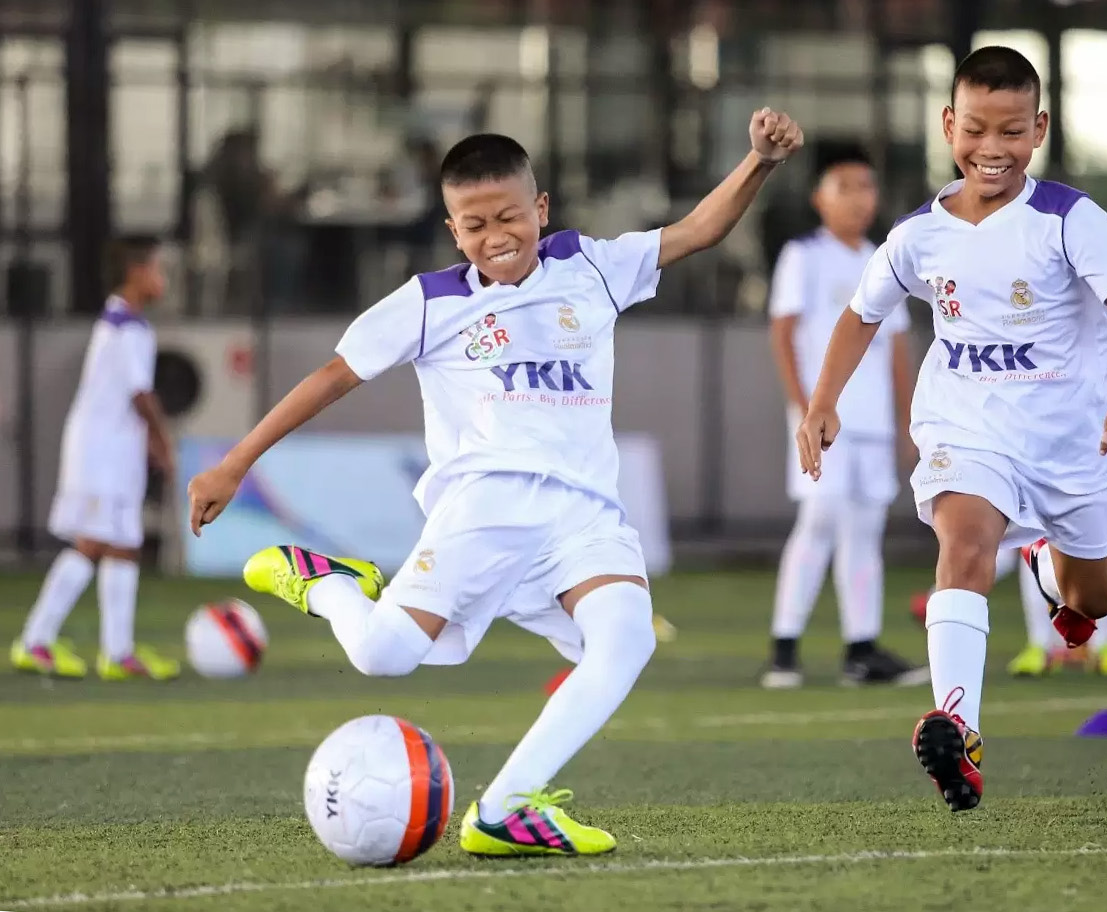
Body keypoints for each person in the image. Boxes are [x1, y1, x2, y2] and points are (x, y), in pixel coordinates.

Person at [187, 110, 805, 855]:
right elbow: (333, 376)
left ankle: (503, 811)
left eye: (510, 216)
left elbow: (698, 230)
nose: (496, 236)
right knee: (382, 657)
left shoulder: (591, 265)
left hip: (583, 514)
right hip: (485, 509)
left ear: (540, 210)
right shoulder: (430, 301)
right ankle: (327, 585)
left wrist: (758, 162)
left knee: (625, 640)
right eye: (474, 225)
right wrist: (235, 461)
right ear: (454, 231)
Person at [795, 45, 1107, 813]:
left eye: (1008, 132)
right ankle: (958, 732)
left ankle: (1045, 564)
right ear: (946, 126)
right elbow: (862, 315)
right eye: (973, 130)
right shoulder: (917, 234)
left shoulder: (1068, 218)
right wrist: (822, 399)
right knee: (962, 549)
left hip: (1069, 443)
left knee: (1090, 606)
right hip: (965, 424)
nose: (989, 149)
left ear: (1038, 129)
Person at [763, 145, 926, 689]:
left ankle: (862, 648)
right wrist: (801, 407)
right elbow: (783, 334)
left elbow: (898, 346)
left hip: (875, 423)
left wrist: (908, 421)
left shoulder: (884, 257)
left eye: (867, 187)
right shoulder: (803, 255)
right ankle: (784, 647)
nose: (859, 199)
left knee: (865, 531)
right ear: (819, 197)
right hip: (822, 420)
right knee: (820, 520)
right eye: (845, 187)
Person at [11, 237, 180, 681]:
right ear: (137, 272)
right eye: (158, 269)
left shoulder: (126, 323)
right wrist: (163, 441)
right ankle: (35, 640)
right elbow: (140, 393)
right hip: (100, 451)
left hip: (114, 449)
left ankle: (117, 653)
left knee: (124, 541)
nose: (163, 278)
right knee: (94, 541)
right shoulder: (126, 327)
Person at [1005, 307, 1107, 678]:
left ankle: (1104, 643)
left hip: (1095, 445)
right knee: (1033, 540)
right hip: (1036, 441)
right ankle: (1040, 644)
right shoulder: (1034, 304)